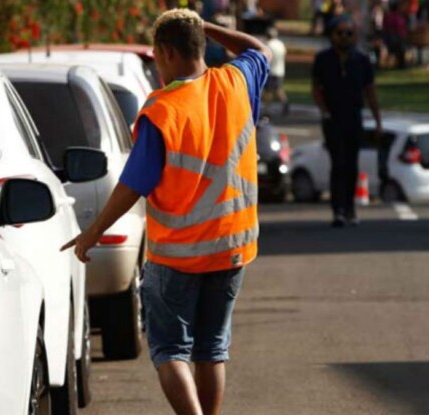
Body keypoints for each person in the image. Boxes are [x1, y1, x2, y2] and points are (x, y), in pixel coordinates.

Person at [61, 9, 271, 415]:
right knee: (212, 349)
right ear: (201, 46)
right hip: (231, 249)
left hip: (177, 255)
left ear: (168, 53)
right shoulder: (236, 82)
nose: (157, 66)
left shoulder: (164, 110)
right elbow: (256, 48)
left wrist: (92, 233)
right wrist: (202, 26)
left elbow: (132, 186)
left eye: (157, 57)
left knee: (171, 349)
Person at [312, 17, 382, 228]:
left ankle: (350, 208)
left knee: (352, 164)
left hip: (354, 118)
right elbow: (316, 89)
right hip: (333, 119)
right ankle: (338, 210)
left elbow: (370, 92)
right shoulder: (323, 59)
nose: (344, 37)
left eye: (349, 34)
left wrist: (378, 121)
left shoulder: (361, 60)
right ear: (332, 35)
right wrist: (325, 112)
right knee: (338, 164)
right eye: (340, 33)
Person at [264, 27, 289, 116]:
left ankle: (267, 110)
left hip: (271, 70)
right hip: (280, 70)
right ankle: (285, 103)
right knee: (278, 89)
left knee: (268, 91)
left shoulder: (267, 45)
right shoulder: (281, 44)